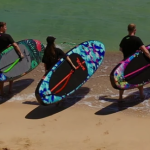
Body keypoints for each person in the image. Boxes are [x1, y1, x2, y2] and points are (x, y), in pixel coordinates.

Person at [119, 23, 150, 102]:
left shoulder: (124, 39)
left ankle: (120, 98)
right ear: (134, 30)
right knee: (139, 78)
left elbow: (121, 49)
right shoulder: (137, 39)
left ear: (128, 30)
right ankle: (142, 96)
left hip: (125, 63)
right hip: (134, 63)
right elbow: (146, 51)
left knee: (123, 80)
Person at [0, 22, 24, 96]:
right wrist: (20, 54)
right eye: (5, 27)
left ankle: (1, 92)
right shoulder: (7, 36)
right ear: (1, 27)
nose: (6, 28)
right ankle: (10, 90)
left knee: (1, 74)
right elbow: (15, 45)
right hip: (7, 57)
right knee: (11, 72)